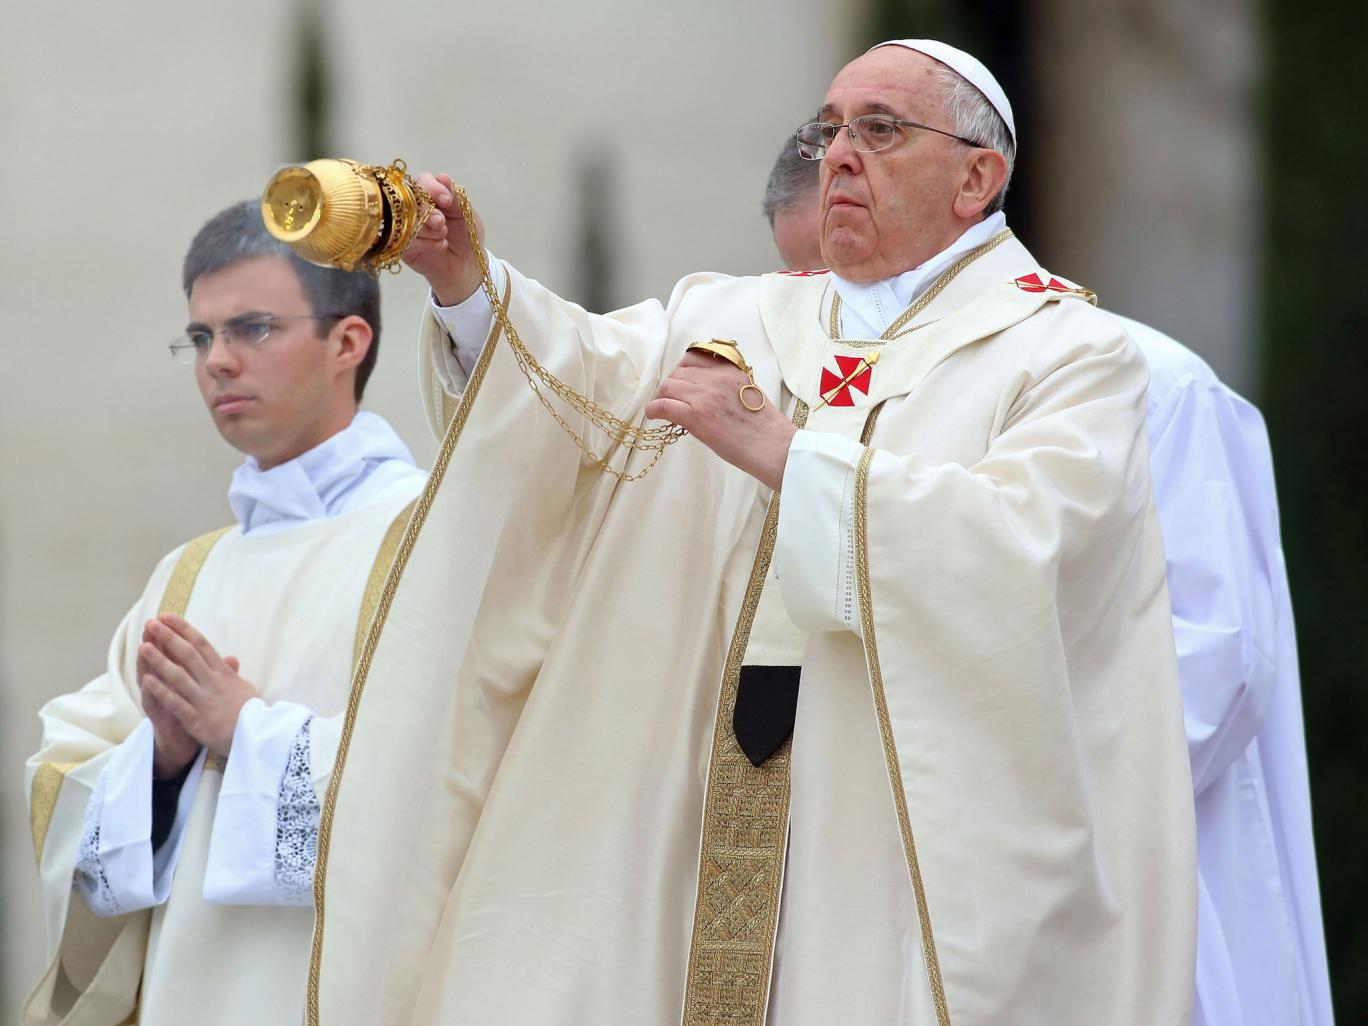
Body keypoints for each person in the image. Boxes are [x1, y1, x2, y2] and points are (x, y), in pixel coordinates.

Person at [309, 39, 1196, 1025]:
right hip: (680, 783)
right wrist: (469, 285)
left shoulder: (1070, 355)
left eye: (881, 129)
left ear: (977, 178)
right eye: (829, 129)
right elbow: (577, 392)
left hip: (875, 824)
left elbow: (1026, 551)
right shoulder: (730, 313)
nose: (840, 155)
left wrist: (787, 456)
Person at [764, 133, 1334, 1025]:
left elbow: (1216, 660)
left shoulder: (1145, 378)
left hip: (1091, 869)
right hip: (873, 864)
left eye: (833, 282)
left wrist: (954, 750)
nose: (825, 316)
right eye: (799, 286)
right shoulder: (826, 388)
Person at [23, 200, 427, 1026]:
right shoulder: (190, 575)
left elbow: (464, 778)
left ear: (347, 342)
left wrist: (249, 730)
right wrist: (161, 762)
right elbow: (66, 790)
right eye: (202, 338)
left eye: (253, 330)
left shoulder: (431, 539)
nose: (219, 363)